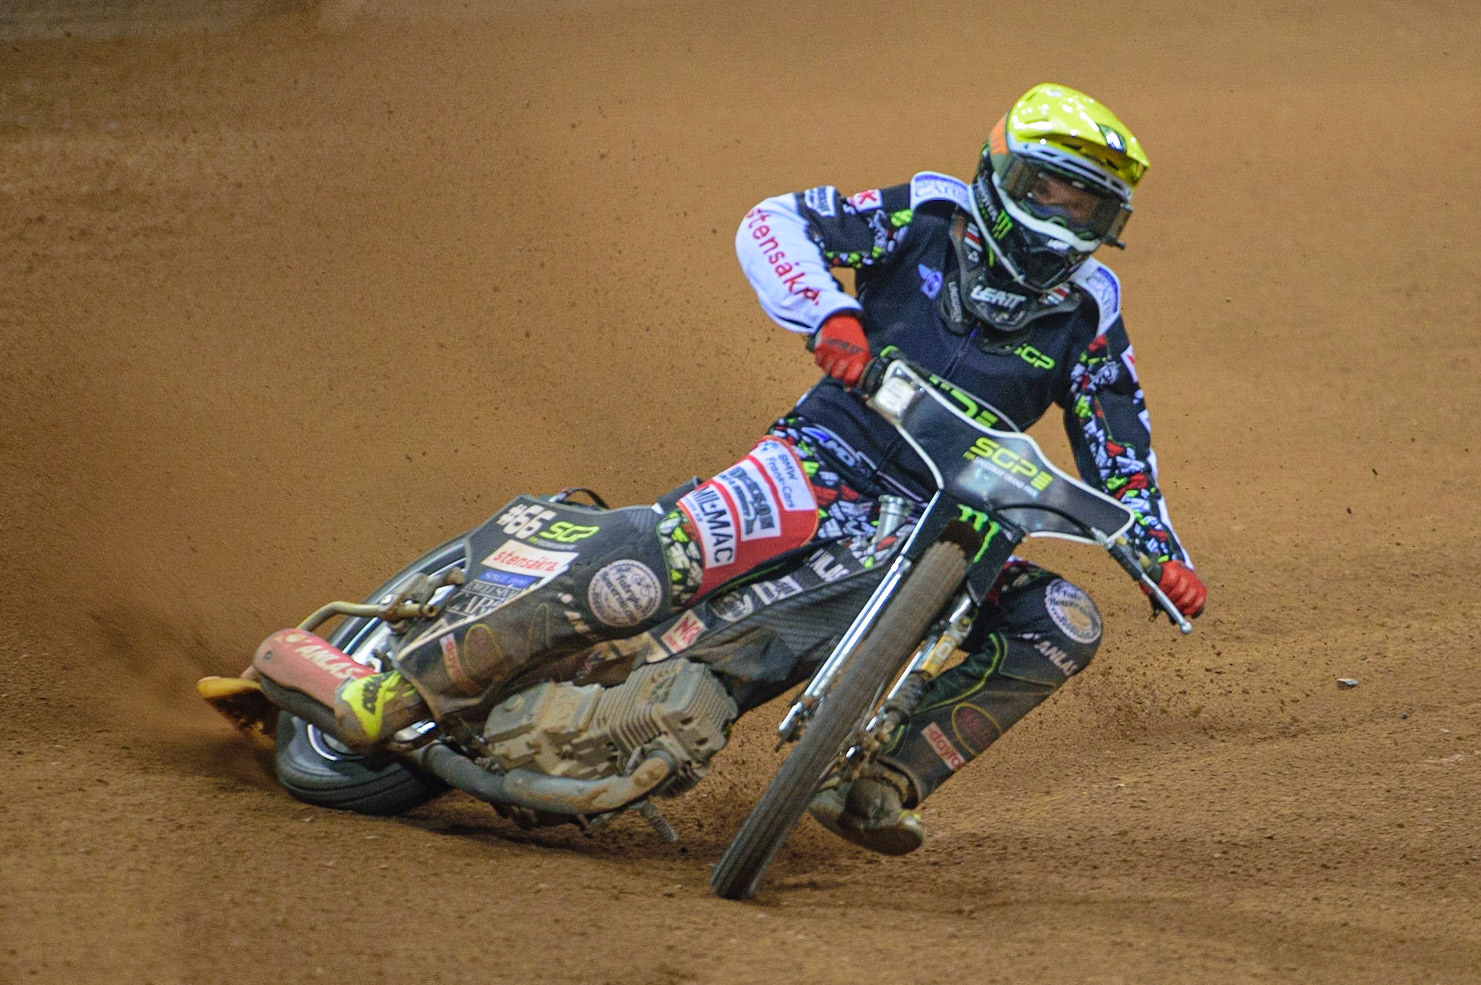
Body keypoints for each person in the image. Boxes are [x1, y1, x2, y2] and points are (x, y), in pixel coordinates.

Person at [332, 82, 1207, 857]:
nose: (1061, 216)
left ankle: (873, 782)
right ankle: (402, 687)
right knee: (651, 567)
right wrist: (828, 313)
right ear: (999, 169)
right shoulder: (927, 216)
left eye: (1088, 206)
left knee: (1062, 617)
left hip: (940, 522)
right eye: (1046, 187)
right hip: (822, 456)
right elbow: (774, 221)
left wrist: (1156, 546)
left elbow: (1117, 437)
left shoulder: (1088, 311)